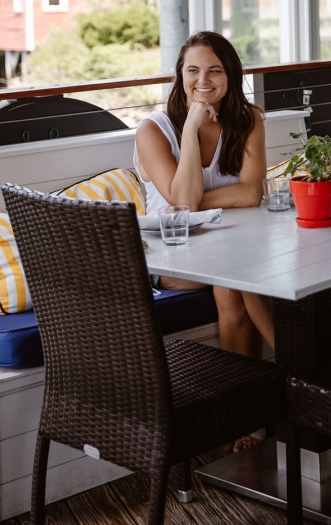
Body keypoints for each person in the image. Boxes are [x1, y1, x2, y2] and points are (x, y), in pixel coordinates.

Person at [134, 31, 275, 450]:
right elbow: (182, 199)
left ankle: (256, 408)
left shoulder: (248, 120)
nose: (203, 80)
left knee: (241, 281)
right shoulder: (153, 129)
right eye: (192, 70)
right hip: (173, 256)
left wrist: (194, 205)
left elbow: (252, 192)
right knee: (234, 283)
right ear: (179, 77)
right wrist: (192, 129)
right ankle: (295, 378)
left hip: (233, 244)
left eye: (215, 70)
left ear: (231, 75)